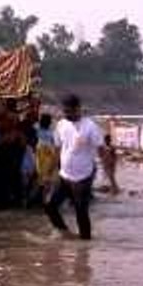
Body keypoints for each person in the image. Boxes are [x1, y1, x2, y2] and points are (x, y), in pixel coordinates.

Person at [44, 94, 105, 240]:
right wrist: (49, 173)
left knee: (80, 211)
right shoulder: (61, 125)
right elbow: (58, 150)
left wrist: (109, 176)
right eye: (65, 112)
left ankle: (85, 247)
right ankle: (65, 233)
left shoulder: (90, 126)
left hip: (83, 176)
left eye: (70, 111)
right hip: (64, 175)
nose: (67, 115)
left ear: (78, 108)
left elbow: (101, 150)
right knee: (49, 205)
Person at [32, 113, 59, 205]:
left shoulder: (36, 128)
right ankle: (45, 200)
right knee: (48, 178)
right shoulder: (51, 132)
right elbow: (55, 144)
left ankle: (43, 199)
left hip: (40, 152)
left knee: (43, 177)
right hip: (47, 153)